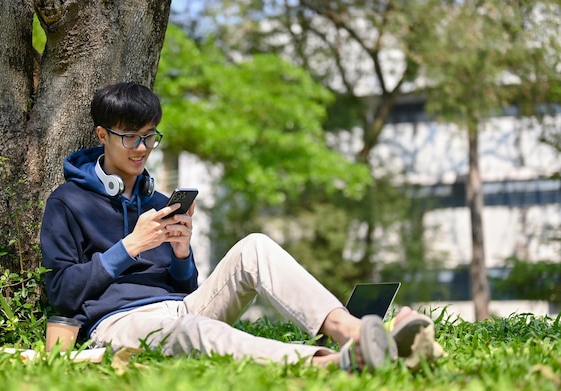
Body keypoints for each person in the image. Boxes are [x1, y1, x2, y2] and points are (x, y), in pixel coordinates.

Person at [40, 82, 441, 372]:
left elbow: (184, 287)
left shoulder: (159, 204)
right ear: (102, 135)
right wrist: (128, 247)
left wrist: (181, 255)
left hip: (180, 308)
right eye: (130, 138)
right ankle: (331, 363)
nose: (141, 149)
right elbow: (62, 292)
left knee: (255, 246)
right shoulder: (67, 202)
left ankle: (352, 333)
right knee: (196, 330)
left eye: (150, 137)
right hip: (119, 323)